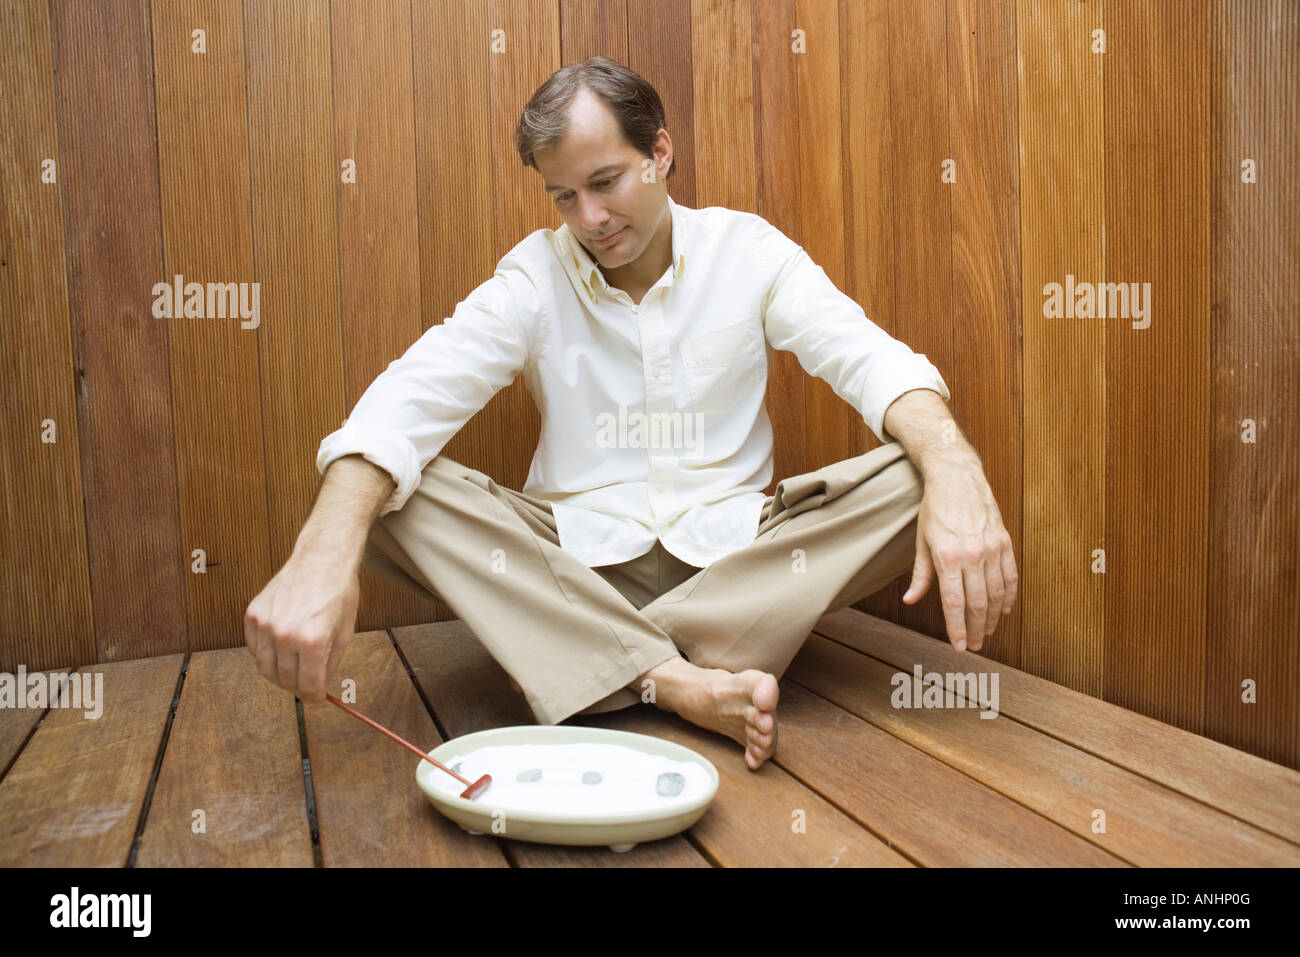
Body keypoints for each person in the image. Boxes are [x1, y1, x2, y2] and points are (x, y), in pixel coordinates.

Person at [245, 57, 1018, 771]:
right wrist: (323, 549)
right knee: (378, 492)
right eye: (564, 195)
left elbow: (871, 359)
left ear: (661, 152)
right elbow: (413, 393)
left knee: (920, 472)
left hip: (737, 568)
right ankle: (674, 677)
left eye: (607, 181)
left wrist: (952, 469)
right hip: (575, 567)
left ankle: (585, 661)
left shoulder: (748, 252)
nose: (590, 217)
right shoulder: (533, 278)